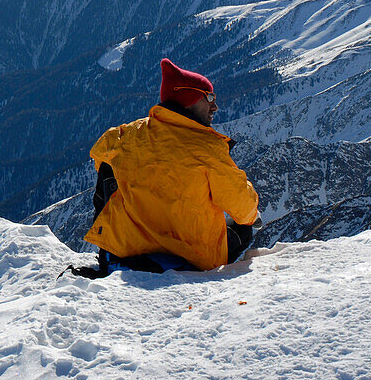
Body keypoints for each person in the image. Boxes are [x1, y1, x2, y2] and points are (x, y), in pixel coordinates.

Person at [83, 58, 259, 274]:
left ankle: (111, 250)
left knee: (109, 169)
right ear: (188, 98)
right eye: (209, 97)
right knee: (244, 227)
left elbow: (99, 156)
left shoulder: (123, 136)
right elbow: (245, 210)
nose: (215, 106)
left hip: (127, 249)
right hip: (192, 259)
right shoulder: (208, 149)